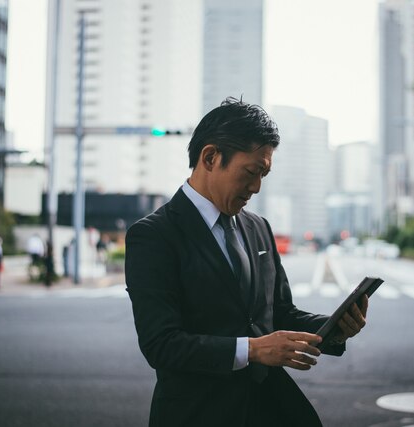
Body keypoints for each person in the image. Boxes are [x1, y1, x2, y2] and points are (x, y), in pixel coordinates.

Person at [125, 98, 369, 427]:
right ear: (210, 157)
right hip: (196, 414)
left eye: (263, 175)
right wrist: (251, 351)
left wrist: (335, 329)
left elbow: (279, 314)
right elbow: (161, 344)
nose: (255, 187)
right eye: (251, 172)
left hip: (269, 408)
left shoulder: (258, 227)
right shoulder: (154, 235)